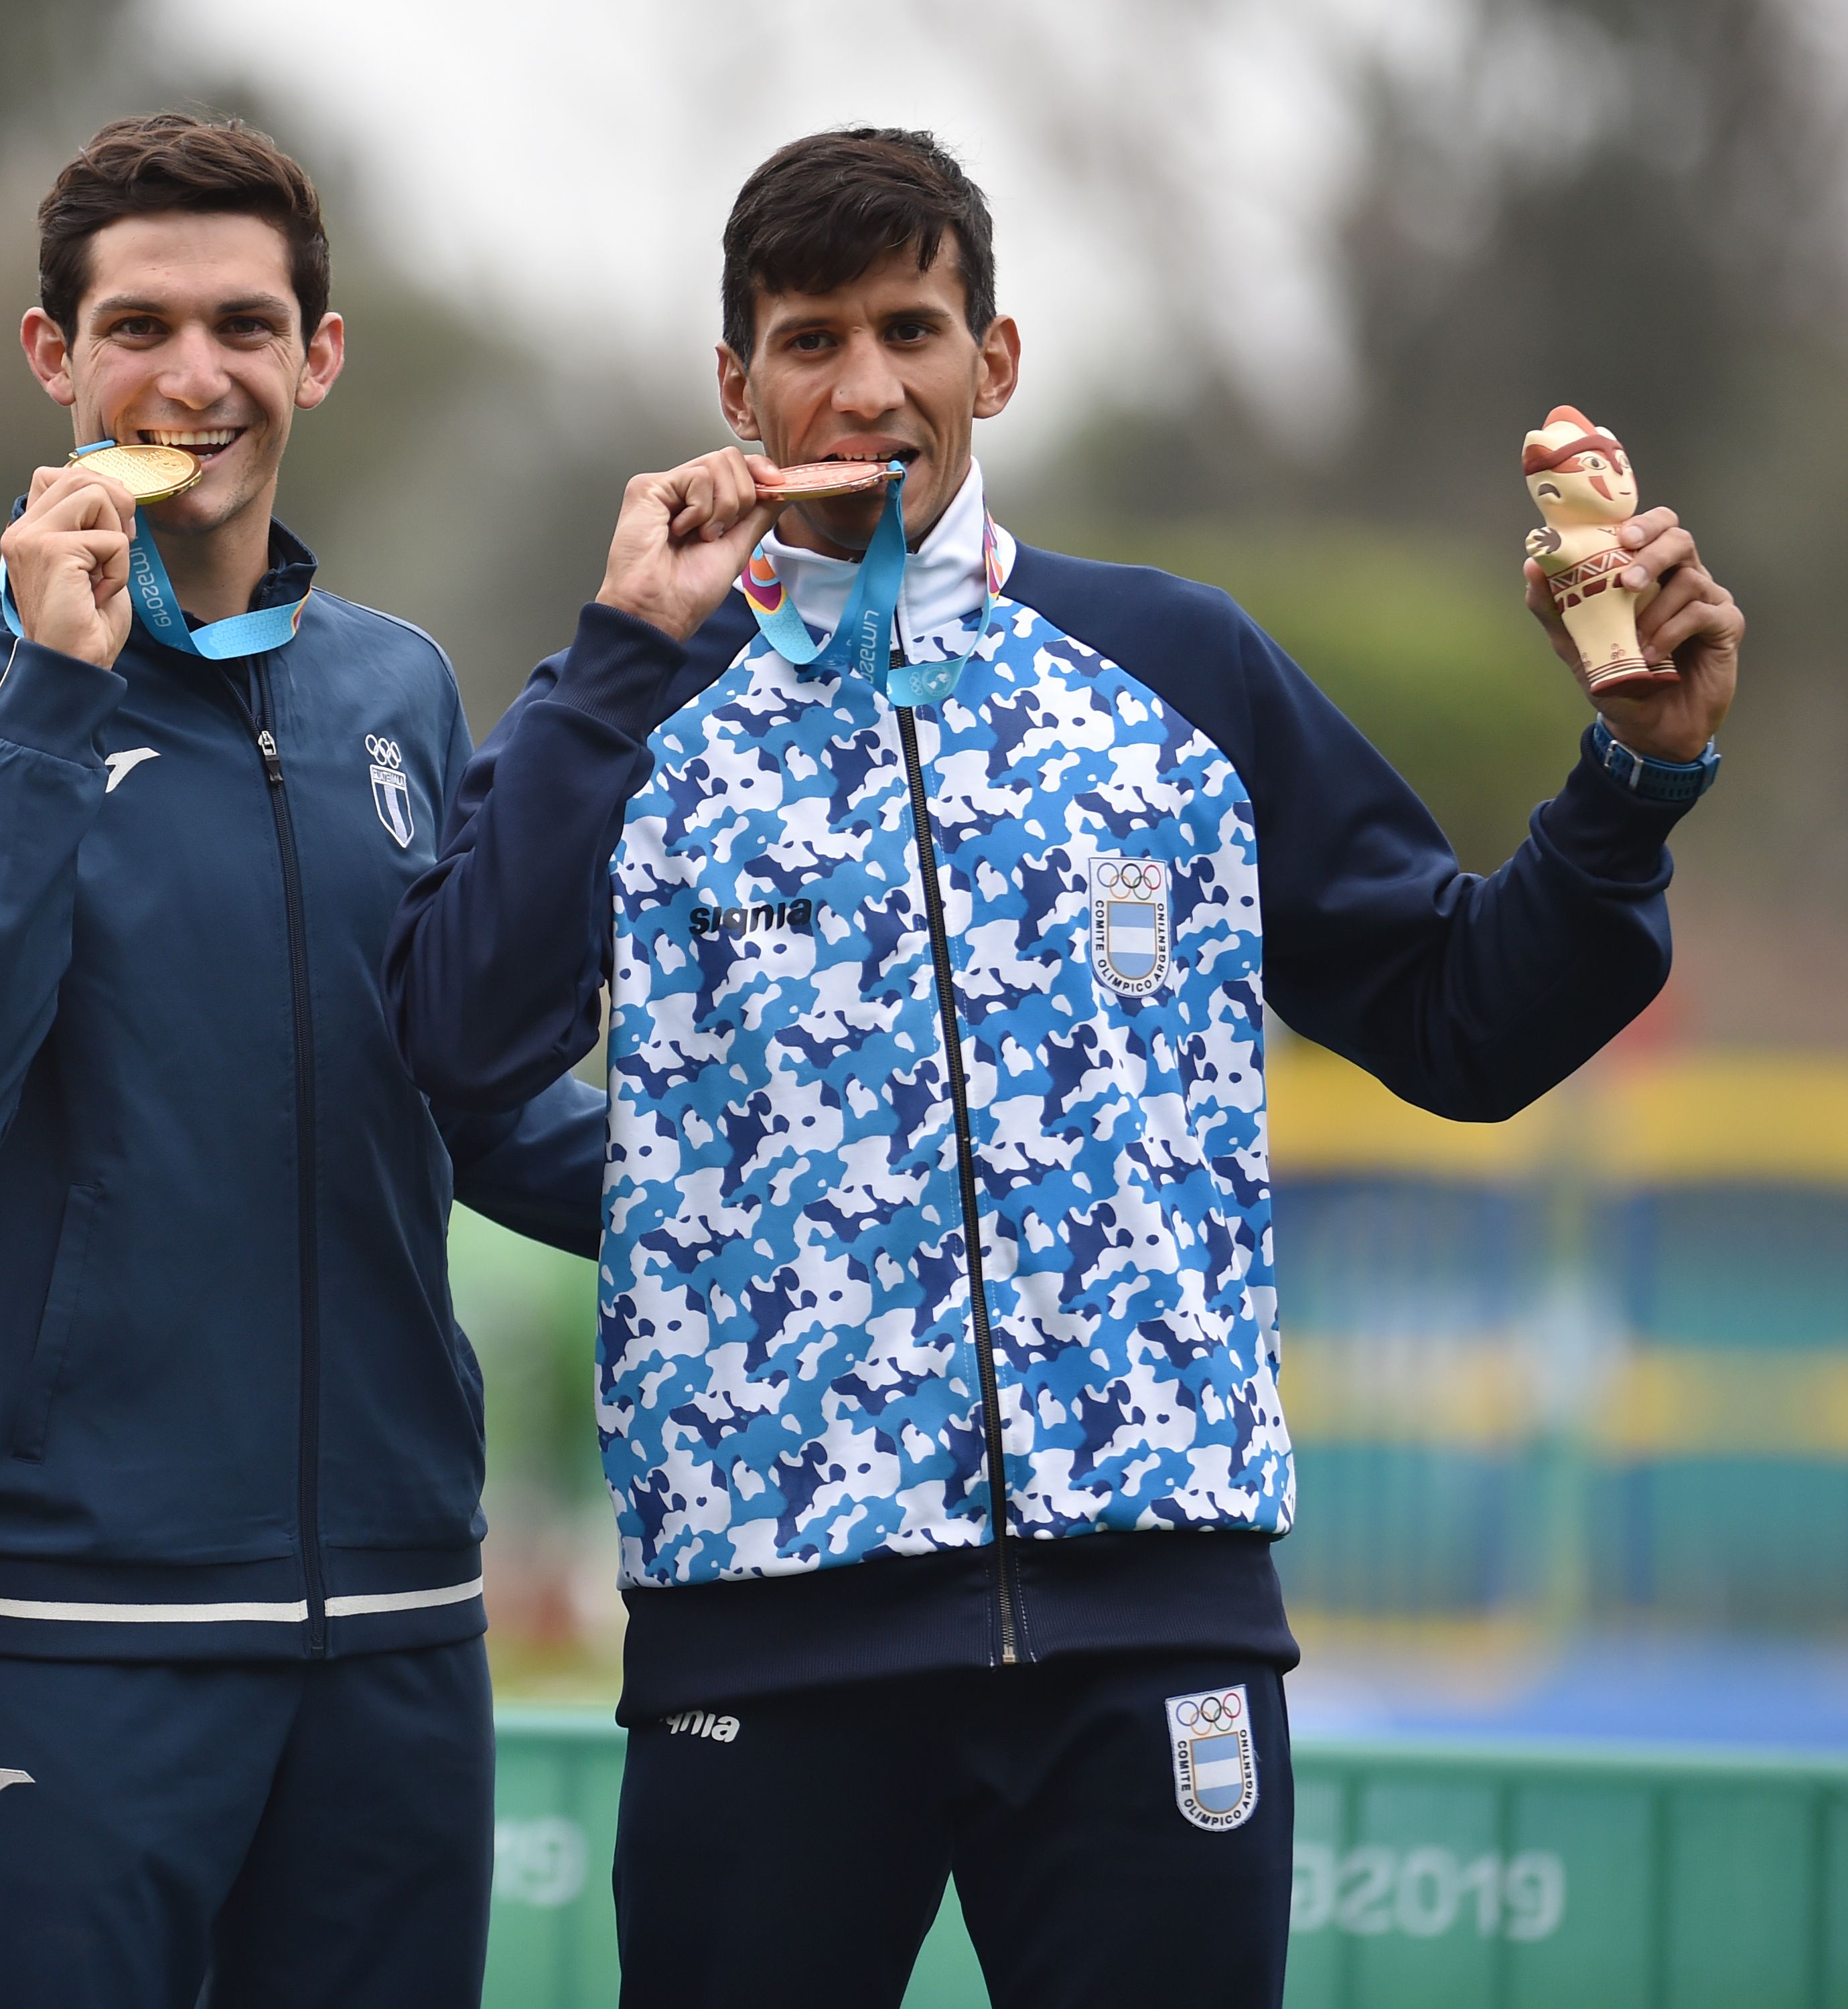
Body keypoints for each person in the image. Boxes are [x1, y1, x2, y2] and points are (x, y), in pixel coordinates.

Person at [380, 128, 1742, 2009]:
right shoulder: (632, 702)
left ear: (994, 363)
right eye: (811, 337)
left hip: (1149, 1630)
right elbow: (455, 1040)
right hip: (766, 1637)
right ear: (733, 386)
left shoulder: (1176, 662)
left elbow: (1461, 1020)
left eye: (913, 328)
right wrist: (620, 672)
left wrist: (1636, 784)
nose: (867, 384)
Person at [0, 113, 606, 2009]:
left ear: (316, 358)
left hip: (402, 1626)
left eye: (246, 324)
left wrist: (740, 1205)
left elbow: (465, 1088)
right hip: (76, 1629)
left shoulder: (397, 688)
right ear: (54, 358)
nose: (193, 372)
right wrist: (52, 697)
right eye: (140, 324)